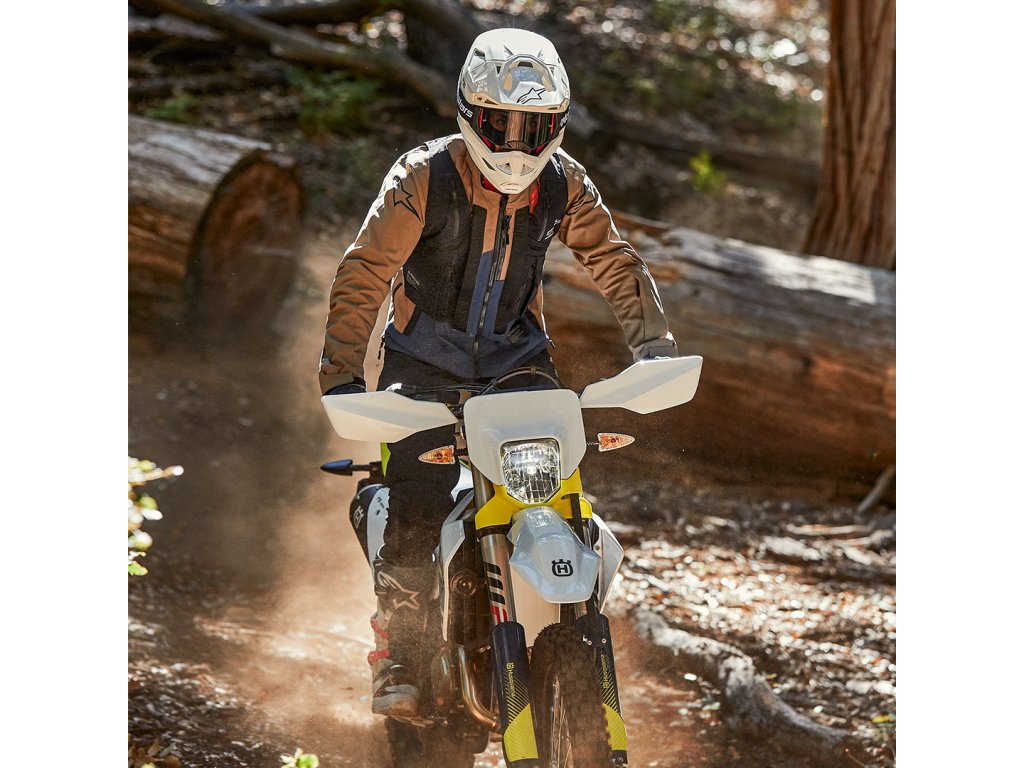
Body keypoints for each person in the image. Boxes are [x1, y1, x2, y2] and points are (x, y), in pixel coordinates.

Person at [319, 27, 678, 718]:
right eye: (500, 124)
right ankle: (401, 656)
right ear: (468, 112)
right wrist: (341, 376)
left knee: (559, 492)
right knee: (417, 498)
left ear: (557, 125)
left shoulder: (565, 182)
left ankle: (567, 619)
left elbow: (614, 260)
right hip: (421, 366)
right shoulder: (423, 177)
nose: (515, 145)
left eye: (532, 127)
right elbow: (364, 272)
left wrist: (654, 346)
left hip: (518, 365)